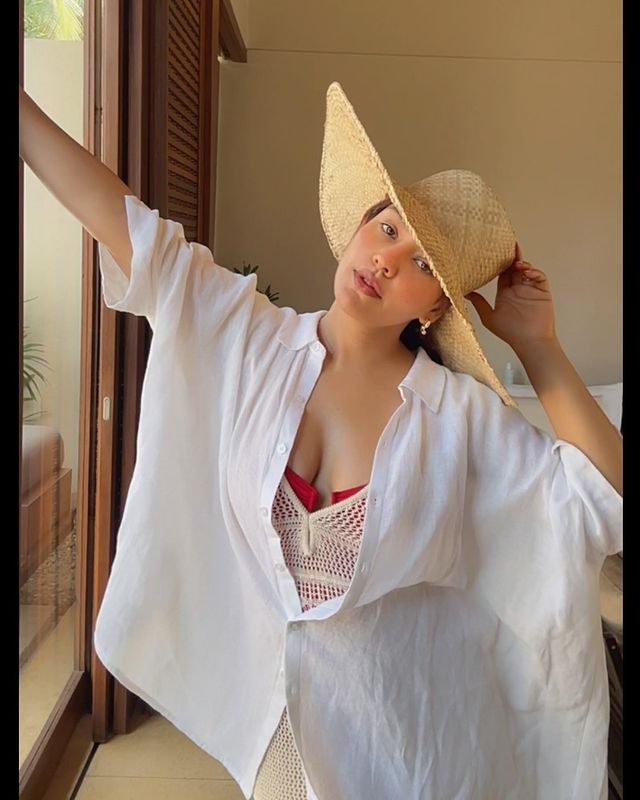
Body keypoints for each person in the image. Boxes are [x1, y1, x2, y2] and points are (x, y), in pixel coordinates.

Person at [19, 80, 622, 800]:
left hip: (395, 752)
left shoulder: (459, 419)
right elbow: (129, 226)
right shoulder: (245, 334)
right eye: (389, 229)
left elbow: (601, 500)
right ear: (358, 227)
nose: (389, 260)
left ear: (437, 307)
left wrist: (540, 346)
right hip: (268, 732)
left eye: (423, 265)